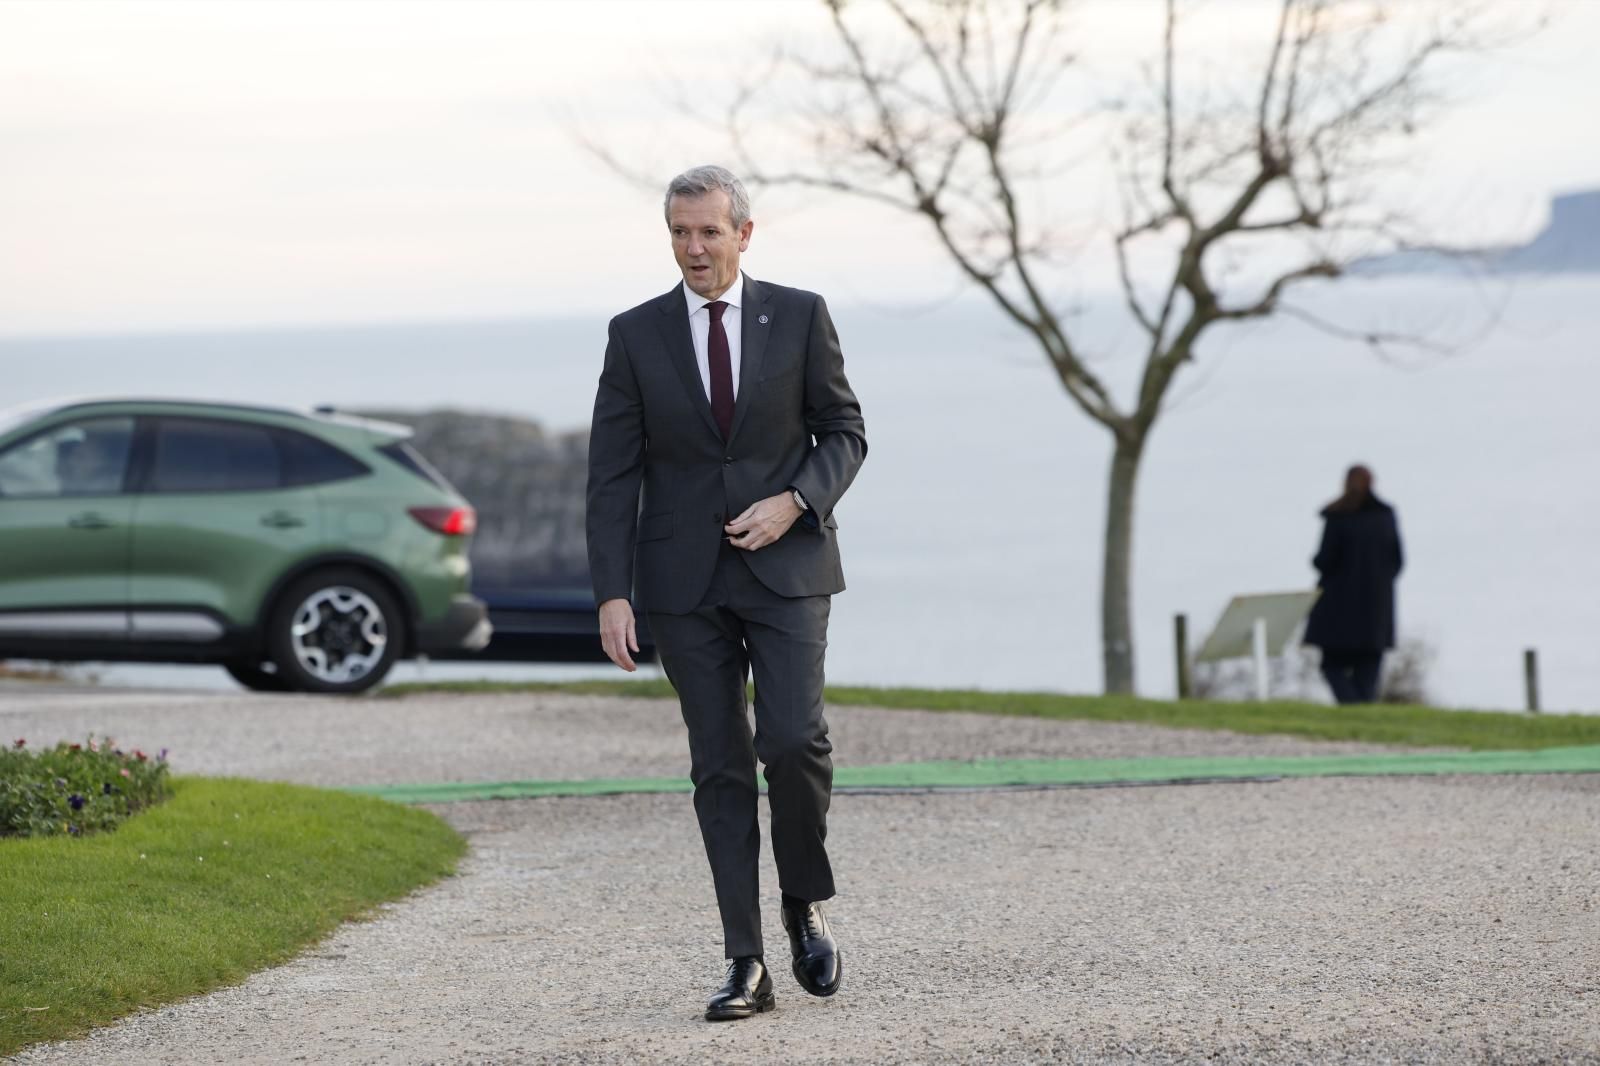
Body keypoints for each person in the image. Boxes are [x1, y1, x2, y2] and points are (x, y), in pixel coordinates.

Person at [585, 165, 867, 1022]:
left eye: (709, 231)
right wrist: (612, 594)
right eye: (680, 232)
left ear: (745, 233)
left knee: (791, 741)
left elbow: (845, 432)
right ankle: (745, 959)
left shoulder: (803, 315)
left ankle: (801, 903)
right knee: (718, 768)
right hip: (681, 584)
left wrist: (796, 501)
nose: (694, 248)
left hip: (789, 571)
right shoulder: (634, 335)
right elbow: (611, 476)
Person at [1302, 464, 1404, 704]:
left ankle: (1352, 708)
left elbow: (1325, 560)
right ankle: (1360, 711)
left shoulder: (1338, 516)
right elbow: (1397, 561)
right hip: (1376, 609)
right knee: (1368, 667)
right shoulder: (1385, 516)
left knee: (1332, 664)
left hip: (1339, 608)